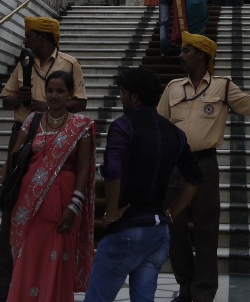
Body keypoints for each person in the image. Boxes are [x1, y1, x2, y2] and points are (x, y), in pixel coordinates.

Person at [157, 32, 250, 302]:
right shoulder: (172, 87)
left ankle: (203, 292)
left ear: (202, 55)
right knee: (174, 227)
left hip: (204, 165)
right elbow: (159, 125)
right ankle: (185, 286)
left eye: (187, 51)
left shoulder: (223, 87)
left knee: (206, 230)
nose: (180, 56)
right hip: (175, 167)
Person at [84, 68, 202, 302]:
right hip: (157, 231)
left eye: (123, 93)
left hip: (128, 227)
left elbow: (113, 170)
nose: (121, 98)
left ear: (134, 96)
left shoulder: (123, 126)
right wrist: (173, 212)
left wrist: (111, 213)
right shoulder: (175, 133)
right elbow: (195, 177)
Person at [0, 17, 88, 302]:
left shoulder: (69, 64)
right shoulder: (24, 63)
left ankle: (47, 283)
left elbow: (80, 101)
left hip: (57, 136)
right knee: (11, 209)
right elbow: (5, 100)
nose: (26, 40)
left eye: (30, 35)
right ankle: (6, 284)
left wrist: (47, 105)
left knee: (50, 219)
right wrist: (19, 98)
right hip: (24, 134)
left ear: (45, 37)